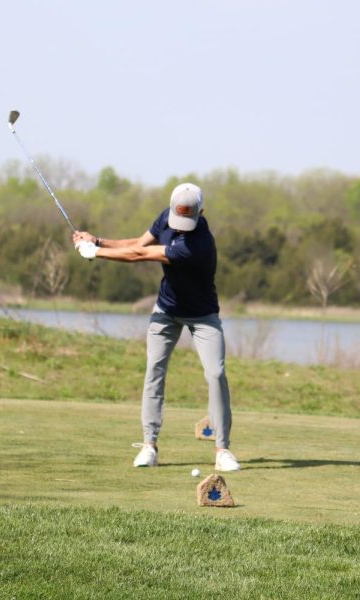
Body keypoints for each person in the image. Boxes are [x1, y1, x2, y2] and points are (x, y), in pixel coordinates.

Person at [72, 182, 240, 472]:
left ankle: (222, 450)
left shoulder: (196, 244)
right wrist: (98, 242)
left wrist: (94, 254)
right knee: (154, 371)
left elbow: (139, 257)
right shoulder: (166, 216)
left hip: (202, 316)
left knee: (216, 373)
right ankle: (149, 446)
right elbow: (138, 244)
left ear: (202, 212)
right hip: (166, 311)